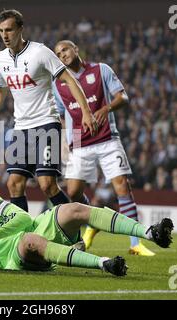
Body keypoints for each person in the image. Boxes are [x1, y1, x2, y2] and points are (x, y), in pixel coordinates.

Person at [0, 9, 98, 214]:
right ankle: (22, 234)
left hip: (47, 124)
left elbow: (69, 79)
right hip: (21, 128)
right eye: (1, 30)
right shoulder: (0, 60)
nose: (5, 35)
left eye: (9, 30)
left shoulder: (40, 52)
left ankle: (75, 228)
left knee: (47, 184)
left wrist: (86, 111)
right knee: (14, 183)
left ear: (21, 29)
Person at [0, 186, 174, 274]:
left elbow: (22, 217)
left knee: (74, 209)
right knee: (30, 241)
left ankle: (150, 233)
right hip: (15, 256)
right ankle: (104, 263)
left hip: (34, 226)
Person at [53, 40, 155, 256]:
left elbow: (123, 97)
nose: (62, 55)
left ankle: (135, 243)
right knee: (73, 192)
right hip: (80, 142)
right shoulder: (58, 84)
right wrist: (65, 141)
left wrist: (105, 109)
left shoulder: (101, 70)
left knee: (121, 186)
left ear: (76, 50)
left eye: (65, 49)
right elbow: (61, 115)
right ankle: (94, 222)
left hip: (108, 138)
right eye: (58, 53)